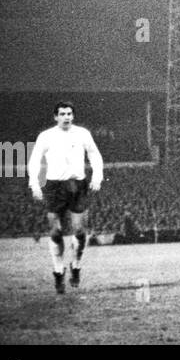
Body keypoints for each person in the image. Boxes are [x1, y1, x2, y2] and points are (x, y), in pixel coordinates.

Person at [28, 102, 103, 293]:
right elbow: (35, 159)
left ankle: (76, 266)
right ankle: (58, 272)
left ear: (73, 116)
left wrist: (97, 176)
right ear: (56, 117)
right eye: (62, 114)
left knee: (79, 231)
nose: (67, 117)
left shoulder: (82, 133)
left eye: (69, 113)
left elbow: (94, 154)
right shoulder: (46, 136)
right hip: (55, 187)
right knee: (55, 232)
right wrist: (34, 183)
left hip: (77, 185)